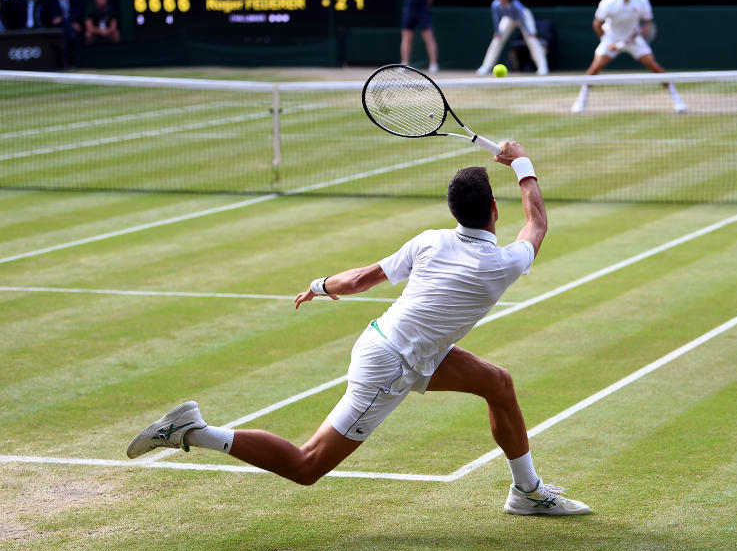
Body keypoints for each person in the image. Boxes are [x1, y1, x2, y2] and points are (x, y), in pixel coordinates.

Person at [127, 141, 591, 517]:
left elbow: (360, 280)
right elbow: (538, 221)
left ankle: (526, 492)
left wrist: (318, 285)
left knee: (498, 383)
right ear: (493, 209)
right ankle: (194, 431)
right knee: (308, 466)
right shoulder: (503, 262)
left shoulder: (429, 240)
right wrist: (522, 162)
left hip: (389, 341)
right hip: (392, 366)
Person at [571, 0, 685, 114]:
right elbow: (597, 23)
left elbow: (647, 23)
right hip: (611, 38)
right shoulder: (608, 2)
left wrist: (636, 35)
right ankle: (581, 100)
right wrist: (606, 40)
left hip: (634, 39)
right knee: (595, 67)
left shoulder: (642, 0)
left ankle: (677, 99)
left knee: (654, 66)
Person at [476, 0, 548, 76]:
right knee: (497, 40)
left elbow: (522, 18)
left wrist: (530, 32)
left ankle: (543, 67)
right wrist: (497, 31)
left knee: (532, 40)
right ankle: (486, 66)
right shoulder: (495, 4)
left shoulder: (516, 5)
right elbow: (496, 18)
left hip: (524, 18)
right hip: (509, 18)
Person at [47, 0, 83, 67]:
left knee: (70, 27)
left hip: (73, 26)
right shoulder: (52, 3)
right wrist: (67, 22)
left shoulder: (75, 1)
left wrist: (64, 19)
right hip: (60, 29)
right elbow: (53, 20)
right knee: (67, 29)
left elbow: (77, 14)